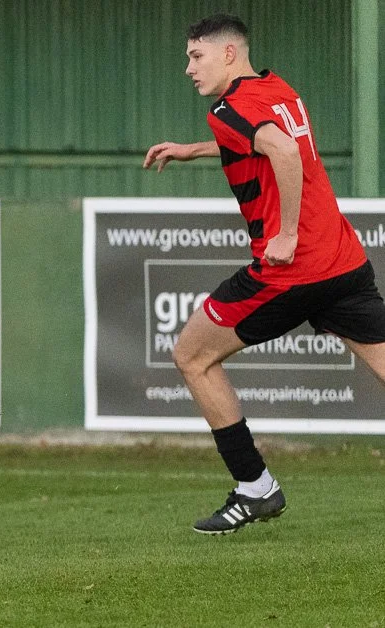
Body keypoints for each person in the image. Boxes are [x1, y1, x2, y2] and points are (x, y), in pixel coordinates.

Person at [144, 14, 385, 534]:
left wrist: (288, 234)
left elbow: (281, 149)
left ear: (228, 54)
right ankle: (256, 490)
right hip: (342, 261)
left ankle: (256, 489)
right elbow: (266, 136)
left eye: (196, 56)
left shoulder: (227, 109)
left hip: (290, 273)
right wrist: (195, 150)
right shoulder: (279, 89)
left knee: (191, 355)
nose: (188, 68)